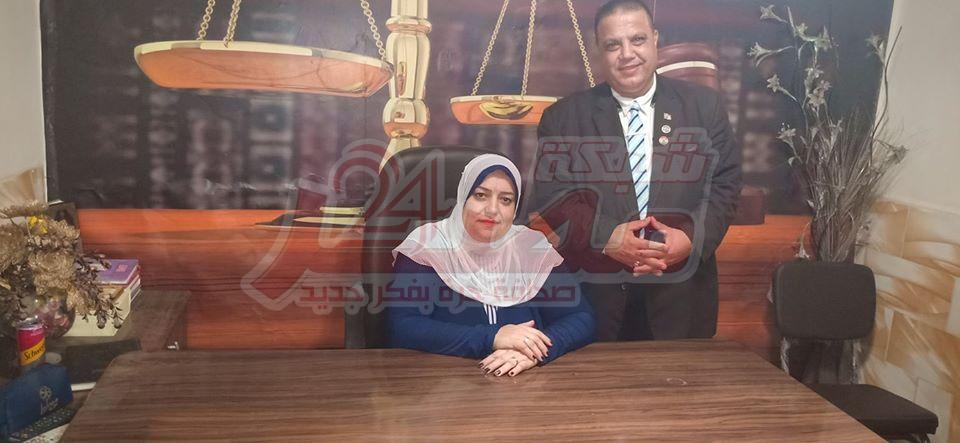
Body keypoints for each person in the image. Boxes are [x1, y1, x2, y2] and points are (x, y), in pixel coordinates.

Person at [527, 0, 742, 341]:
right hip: (596, 298)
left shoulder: (704, 106)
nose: (627, 54)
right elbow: (554, 196)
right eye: (613, 44)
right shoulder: (564, 117)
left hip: (681, 295)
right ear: (599, 51)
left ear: (655, 39)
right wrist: (608, 238)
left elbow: (724, 185)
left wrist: (690, 239)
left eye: (637, 40)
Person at [386, 154, 596, 377]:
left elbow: (582, 319)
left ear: (515, 208)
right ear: (463, 198)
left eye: (506, 200)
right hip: (444, 382)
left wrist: (535, 350)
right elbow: (403, 327)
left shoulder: (531, 248)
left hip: (526, 384)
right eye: (480, 195)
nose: (492, 209)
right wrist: (493, 337)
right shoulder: (427, 245)